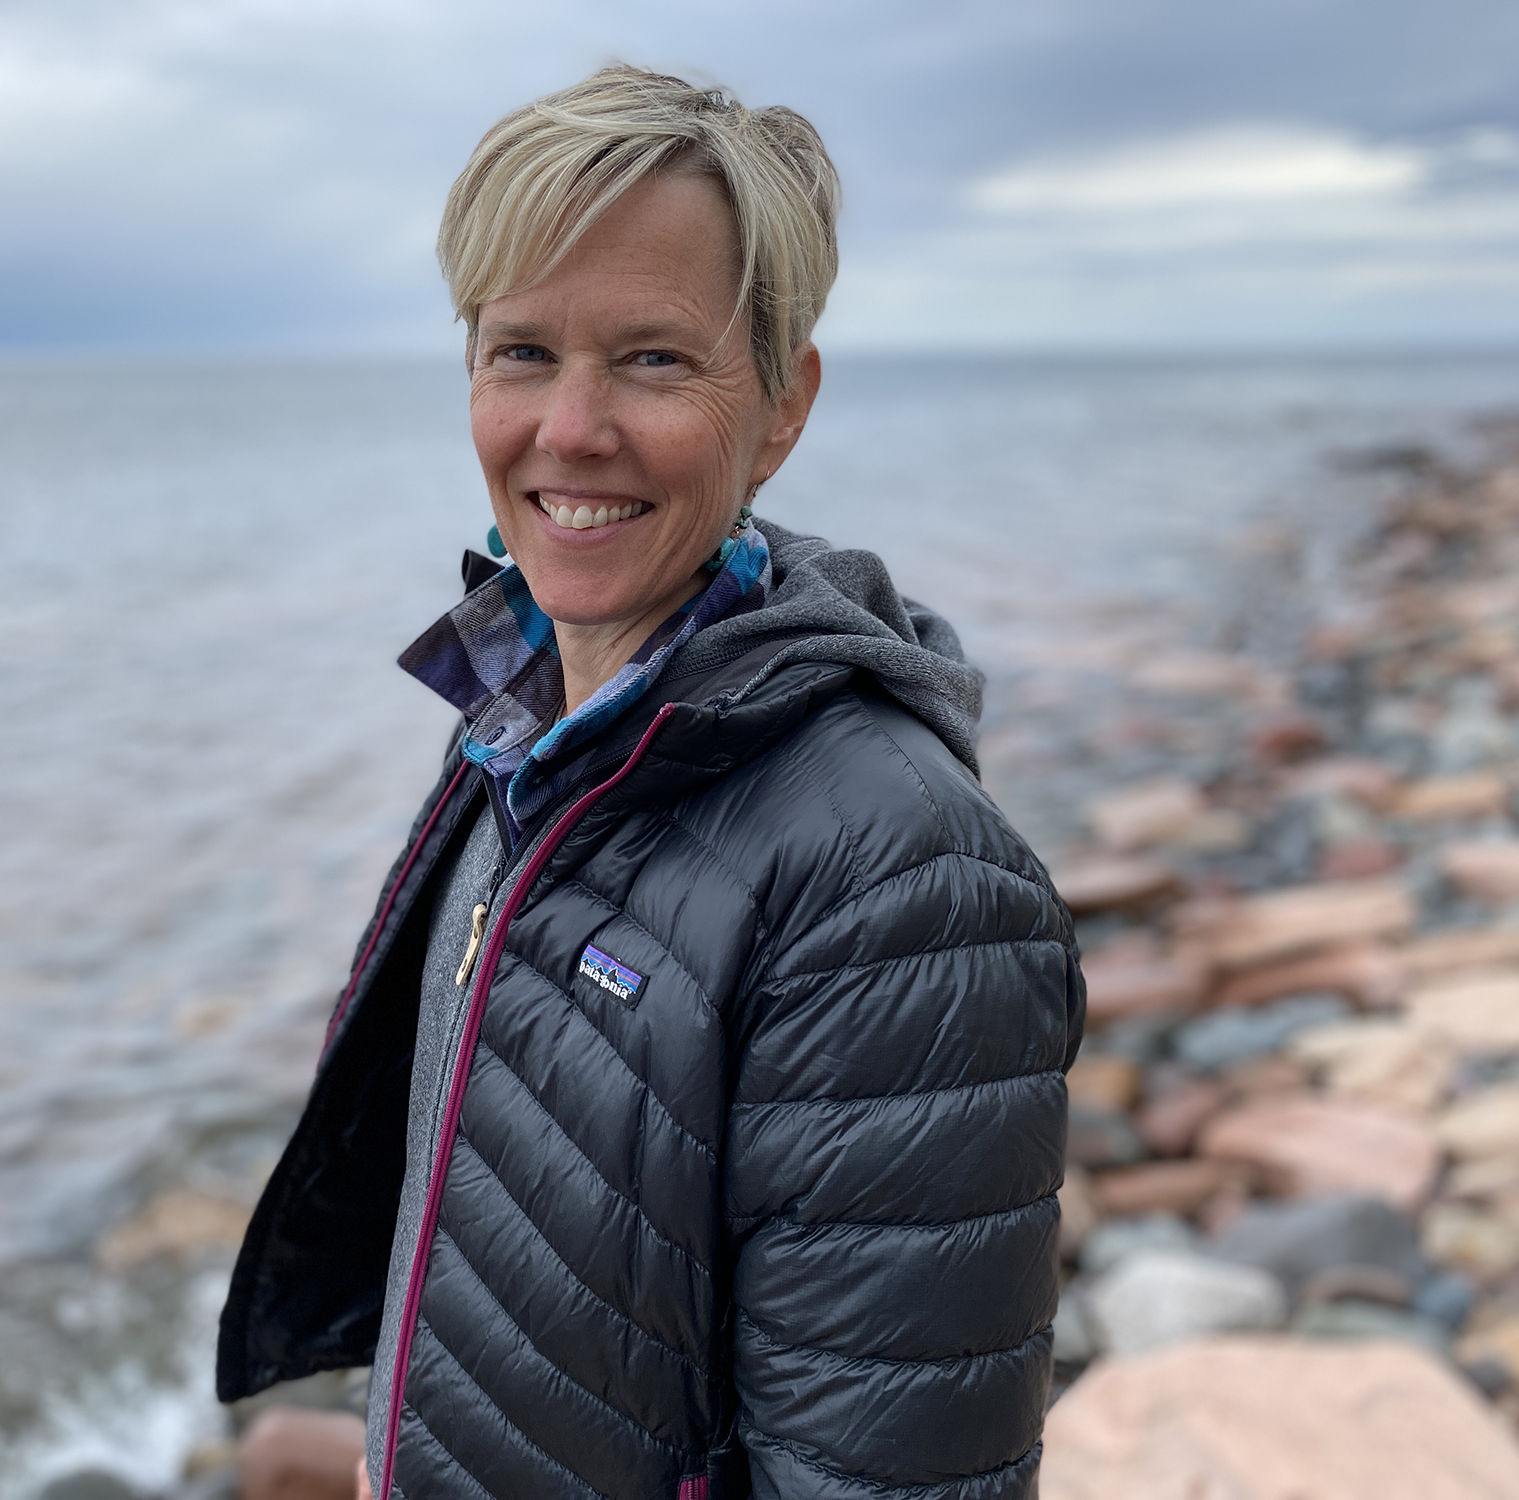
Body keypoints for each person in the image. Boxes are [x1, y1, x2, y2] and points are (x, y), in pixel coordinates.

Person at [219, 65, 1083, 1500]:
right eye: (521, 353)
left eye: (654, 359)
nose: (569, 430)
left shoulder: (901, 878)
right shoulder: (523, 704)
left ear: (783, 404)